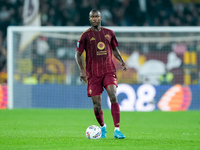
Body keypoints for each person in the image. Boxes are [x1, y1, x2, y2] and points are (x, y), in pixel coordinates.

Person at [75, 9, 127, 139]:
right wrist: (82, 70)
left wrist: (121, 60)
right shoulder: (85, 36)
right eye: (92, 17)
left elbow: (114, 49)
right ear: (89, 19)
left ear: (101, 17)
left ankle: (117, 130)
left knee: (113, 95)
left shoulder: (109, 33)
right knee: (97, 105)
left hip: (109, 70)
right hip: (93, 73)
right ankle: (103, 127)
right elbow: (78, 54)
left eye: (96, 16)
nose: (94, 19)